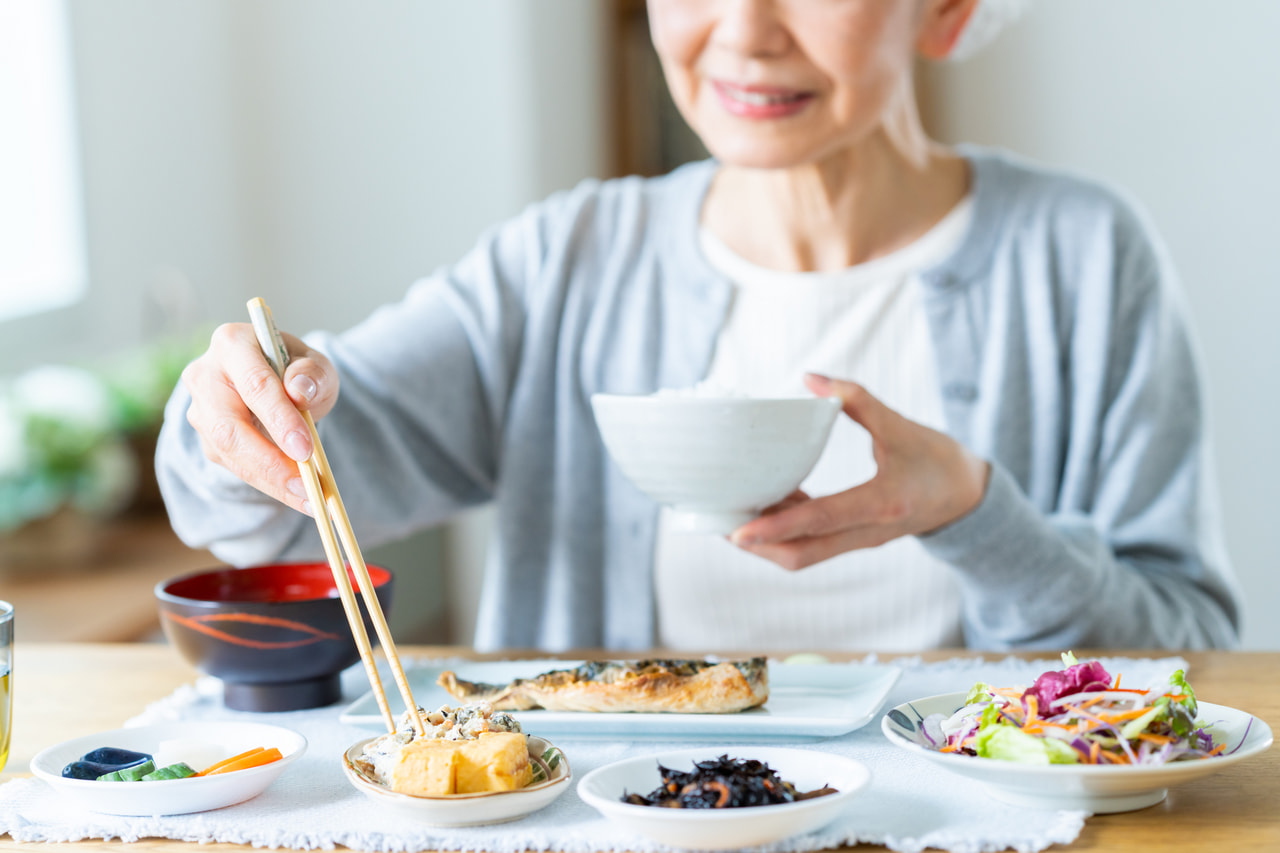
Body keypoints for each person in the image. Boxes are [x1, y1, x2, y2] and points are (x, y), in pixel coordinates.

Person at [156, 0, 1242, 652]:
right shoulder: (570, 261)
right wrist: (238, 406)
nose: (745, 31)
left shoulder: (1081, 256)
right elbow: (287, 506)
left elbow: (1190, 654)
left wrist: (971, 511)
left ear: (948, 6)